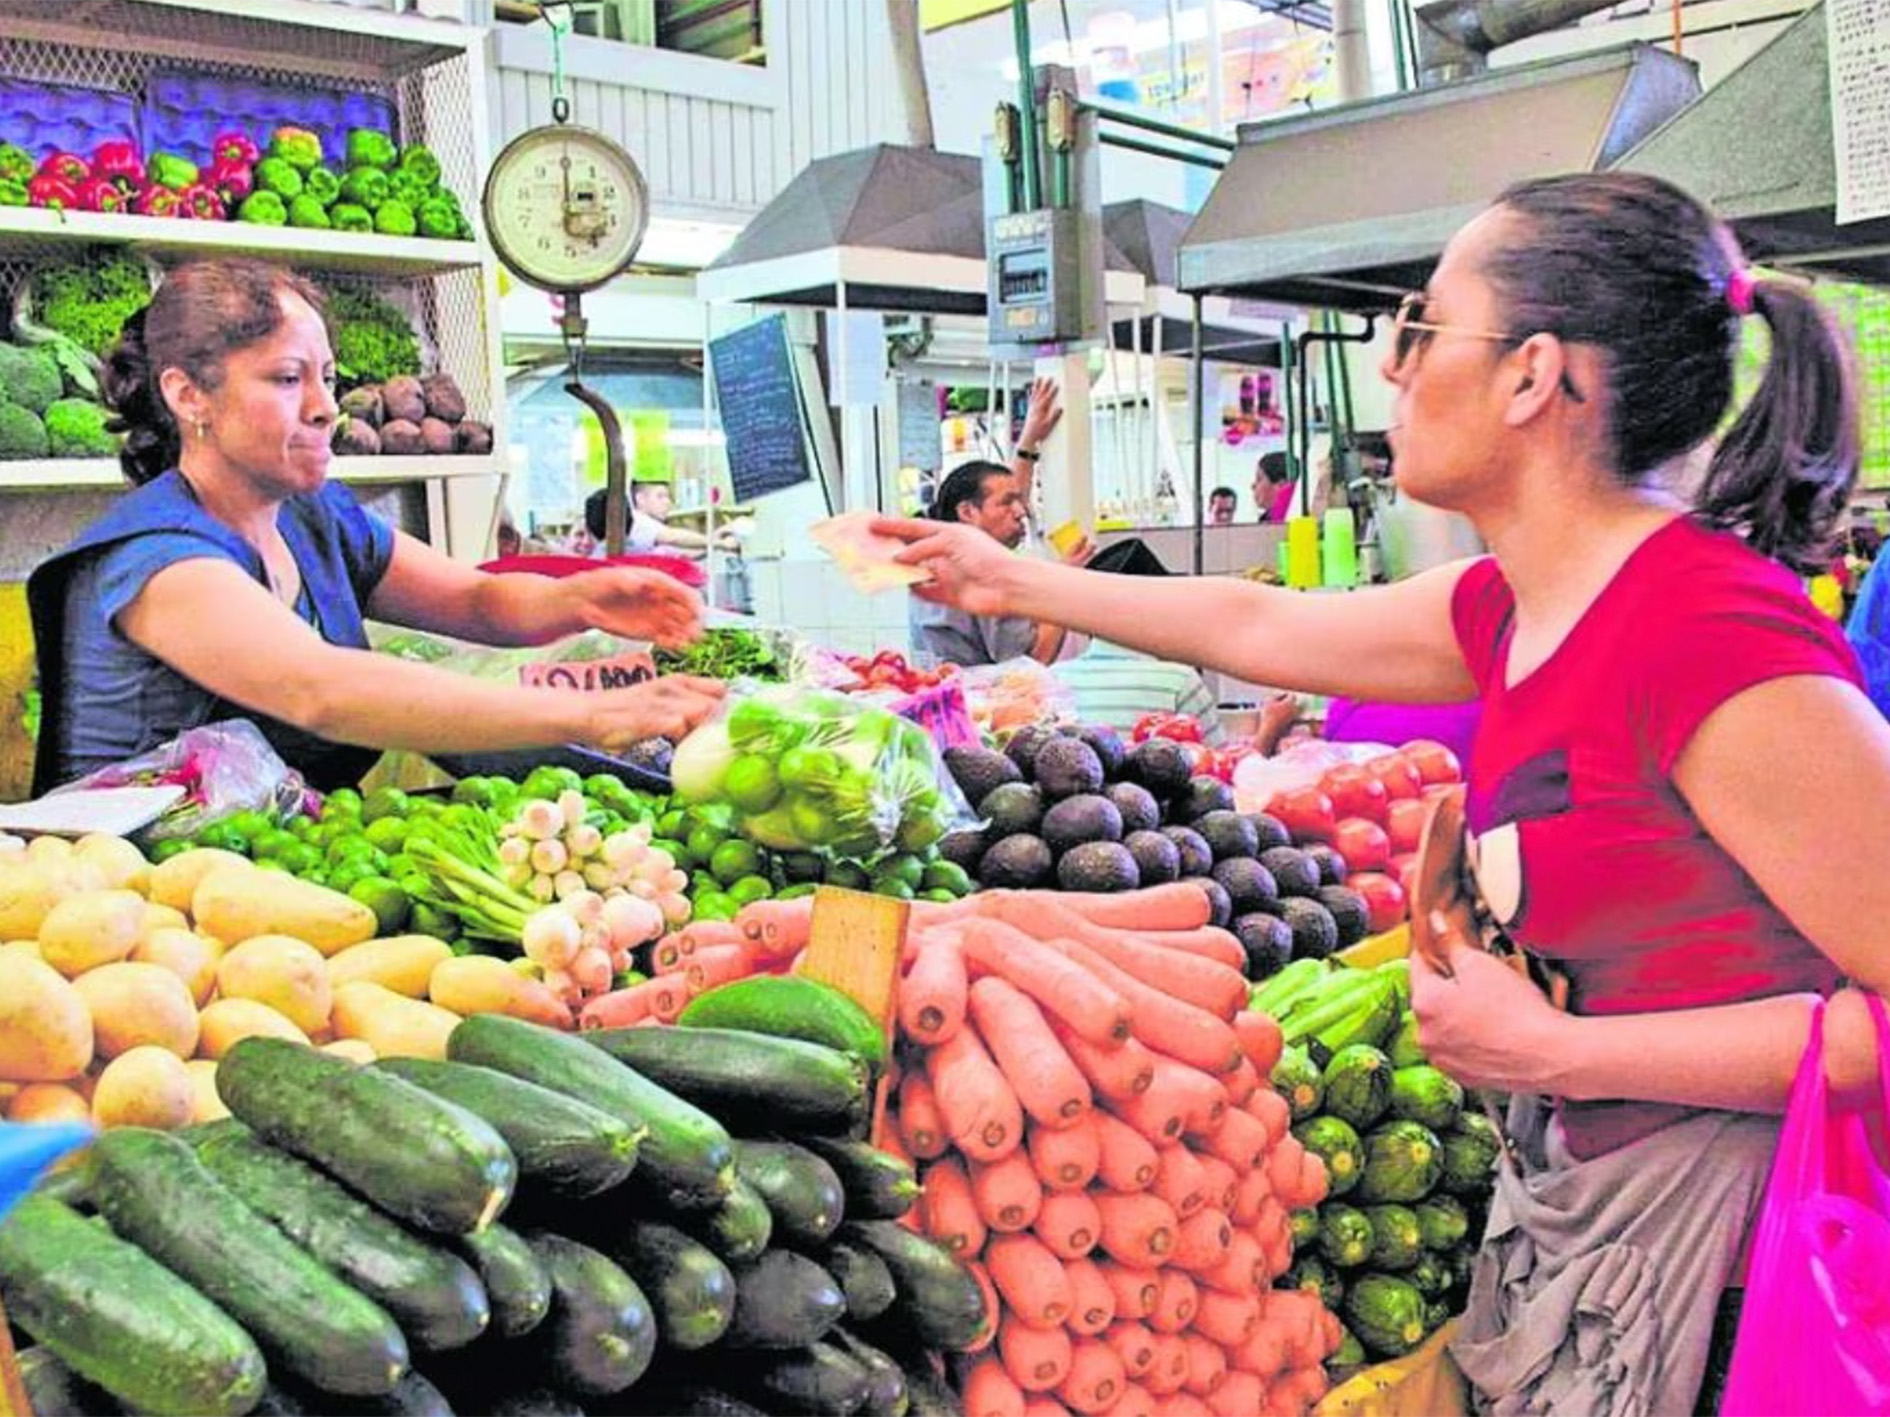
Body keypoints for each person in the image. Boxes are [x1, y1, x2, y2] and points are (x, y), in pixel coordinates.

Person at [875, 172, 1889, 1415]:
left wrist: (1562, 1049)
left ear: (1531, 375)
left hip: (1743, 1264)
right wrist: (1009, 577)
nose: (1391, 366)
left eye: (1418, 325)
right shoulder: (1515, 605)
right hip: (1593, 1214)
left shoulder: (1705, 631)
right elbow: (1258, 618)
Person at [28, 259, 725, 796]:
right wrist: (595, 715)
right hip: (126, 907)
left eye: (327, 378)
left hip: (271, 871)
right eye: (287, 379)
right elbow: (321, 689)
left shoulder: (313, 517)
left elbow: (474, 601)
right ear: (188, 395)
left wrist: (580, 598)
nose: (325, 407)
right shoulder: (158, 560)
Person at [582, 479, 737, 557]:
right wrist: (722, 544)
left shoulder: (646, 540)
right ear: (640, 498)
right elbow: (675, 538)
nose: (668, 503)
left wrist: (712, 541)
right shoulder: (640, 522)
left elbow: (682, 555)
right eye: (660, 496)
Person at [1253, 451, 1295, 522]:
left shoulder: (1293, 519)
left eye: (1259, 479)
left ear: (1282, 485)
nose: (1253, 485)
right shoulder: (1266, 520)